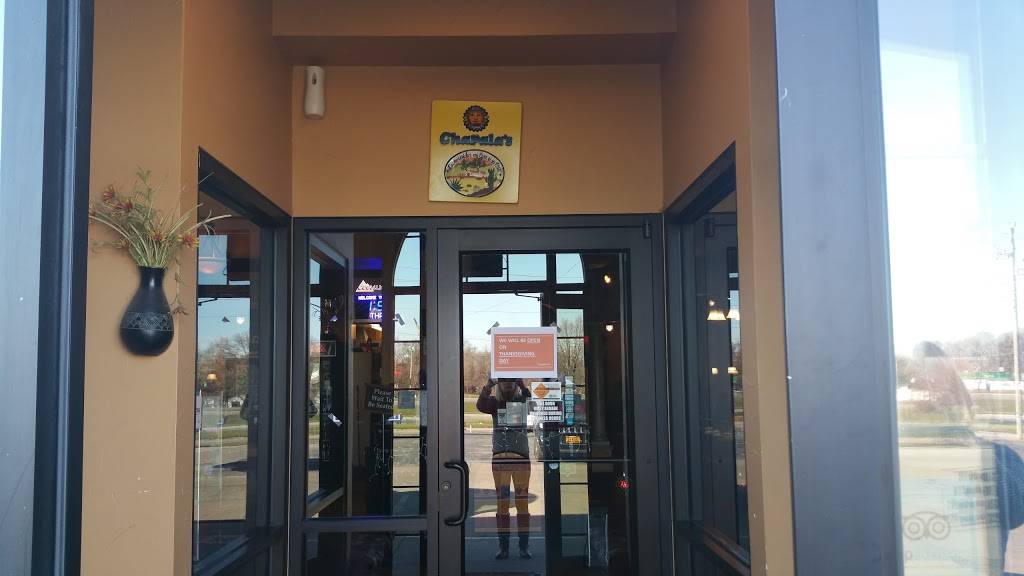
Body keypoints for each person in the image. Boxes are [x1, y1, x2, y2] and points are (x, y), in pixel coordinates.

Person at [899, 342, 1024, 575]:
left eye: (944, 399)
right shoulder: (892, 463)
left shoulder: (996, 458)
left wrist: (969, 447)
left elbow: (1016, 509)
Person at [476, 378, 533, 560]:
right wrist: (488, 385)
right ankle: (504, 546)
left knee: (522, 501)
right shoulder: (494, 403)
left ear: (516, 384)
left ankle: (524, 546)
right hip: (500, 459)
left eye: (511, 381)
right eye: (503, 381)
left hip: (521, 459)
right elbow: (480, 405)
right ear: (499, 385)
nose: (507, 384)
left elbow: (533, 404)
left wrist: (523, 386)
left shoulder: (521, 401)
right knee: (502, 503)